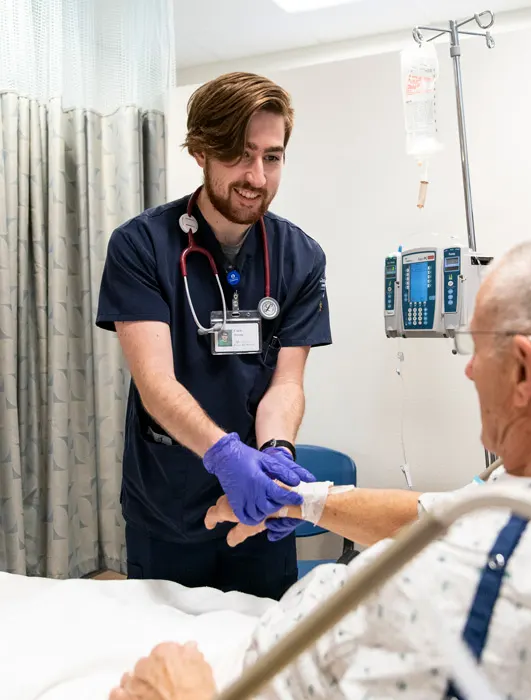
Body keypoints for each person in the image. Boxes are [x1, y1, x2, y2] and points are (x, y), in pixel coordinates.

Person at [110, 229, 531, 700]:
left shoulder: (508, 582)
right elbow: (436, 513)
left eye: (476, 343)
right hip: (247, 632)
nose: (469, 370)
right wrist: (301, 499)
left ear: (523, 371)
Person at [96, 72, 332, 600]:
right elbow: (156, 382)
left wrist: (275, 453)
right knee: (169, 663)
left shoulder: (300, 257)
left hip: (256, 505)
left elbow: (286, 383)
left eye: (272, 158)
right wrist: (226, 454)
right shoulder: (141, 246)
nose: (256, 176)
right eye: (240, 155)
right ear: (201, 150)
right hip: (169, 504)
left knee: (259, 658)